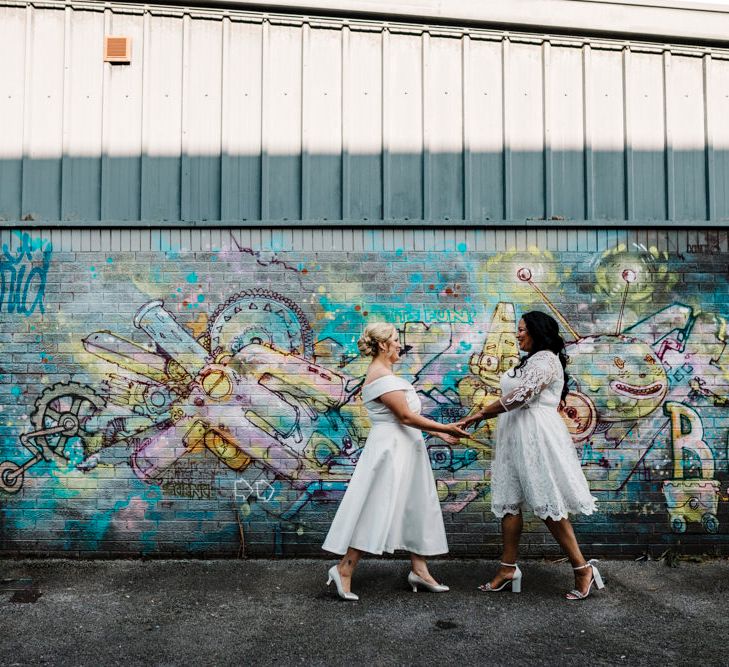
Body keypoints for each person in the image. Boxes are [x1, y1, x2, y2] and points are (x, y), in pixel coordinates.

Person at [458, 311, 603, 601]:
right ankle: (507, 568)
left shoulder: (547, 360)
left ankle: (582, 567)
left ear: (537, 331)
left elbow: (521, 396)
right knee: (509, 502)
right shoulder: (531, 362)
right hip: (515, 435)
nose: (517, 334)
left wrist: (481, 413)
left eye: (522, 330)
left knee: (547, 502)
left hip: (536, 436)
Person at [322, 322, 469, 600]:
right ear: (382, 345)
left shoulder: (385, 374)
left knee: (416, 504)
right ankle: (344, 568)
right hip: (390, 452)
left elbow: (405, 418)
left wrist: (439, 433)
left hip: (404, 448)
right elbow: (404, 416)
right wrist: (444, 428)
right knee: (377, 507)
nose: (400, 344)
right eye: (395, 340)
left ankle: (420, 570)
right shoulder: (380, 376)